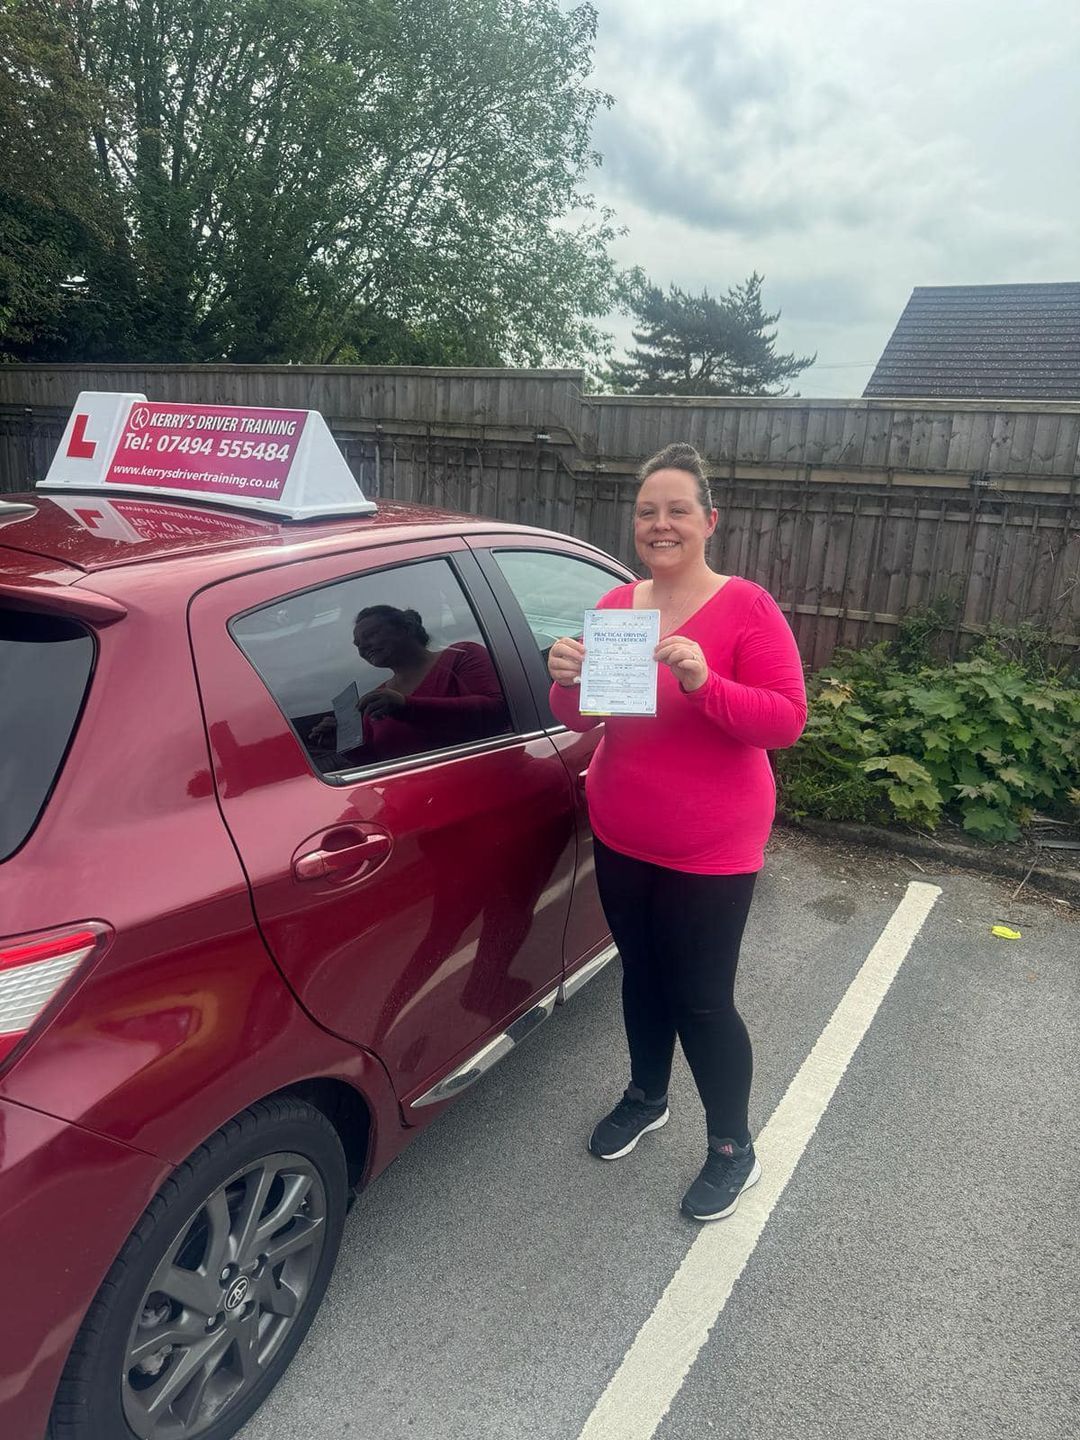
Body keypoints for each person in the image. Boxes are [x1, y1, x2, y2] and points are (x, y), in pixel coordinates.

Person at [547, 442, 807, 1223]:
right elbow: (585, 719)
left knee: (701, 999)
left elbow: (785, 720)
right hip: (624, 830)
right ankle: (646, 1095)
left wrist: (705, 683)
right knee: (641, 975)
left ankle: (733, 1146)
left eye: (677, 511)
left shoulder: (746, 606)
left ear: (708, 521)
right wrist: (565, 680)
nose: (660, 524)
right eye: (647, 512)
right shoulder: (617, 607)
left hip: (712, 847)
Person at [309, 605, 509, 763]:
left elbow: (496, 712)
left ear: (406, 628)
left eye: (370, 635)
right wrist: (344, 745)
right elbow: (379, 760)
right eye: (358, 645)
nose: (363, 646)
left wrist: (406, 707)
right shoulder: (379, 697)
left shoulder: (462, 656)